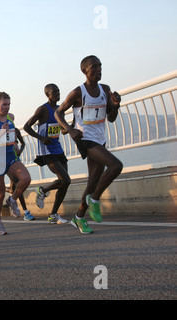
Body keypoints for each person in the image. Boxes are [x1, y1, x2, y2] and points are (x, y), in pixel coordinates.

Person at [55, 55, 123, 234]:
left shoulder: (105, 89)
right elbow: (58, 113)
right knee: (116, 166)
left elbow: (111, 118)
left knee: (93, 181)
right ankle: (94, 200)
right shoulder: (78, 92)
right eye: (94, 66)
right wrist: (70, 130)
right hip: (85, 139)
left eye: (100, 66)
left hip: (100, 139)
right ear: (84, 70)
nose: (99, 69)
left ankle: (78, 217)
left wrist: (115, 106)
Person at [0, 92, 32, 235]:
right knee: (0, 193)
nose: (7, 107)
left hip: (11, 156)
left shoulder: (10, 117)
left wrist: (15, 143)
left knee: (26, 179)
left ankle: (12, 200)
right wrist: (0, 133)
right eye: (4, 104)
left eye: (9, 104)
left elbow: (11, 133)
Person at [24, 83, 70, 224]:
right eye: (54, 92)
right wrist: (42, 138)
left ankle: (53, 214)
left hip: (58, 149)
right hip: (46, 150)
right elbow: (26, 126)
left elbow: (62, 130)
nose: (57, 94)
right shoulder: (43, 109)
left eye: (58, 91)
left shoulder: (59, 109)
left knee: (64, 183)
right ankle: (42, 191)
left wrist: (69, 128)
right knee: (65, 180)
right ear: (47, 95)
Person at [6, 127, 35, 221]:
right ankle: (26, 212)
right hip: (6, 161)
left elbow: (23, 143)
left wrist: (20, 152)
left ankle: (6, 191)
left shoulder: (16, 131)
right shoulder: (0, 130)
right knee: (17, 183)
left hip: (16, 161)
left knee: (15, 185)